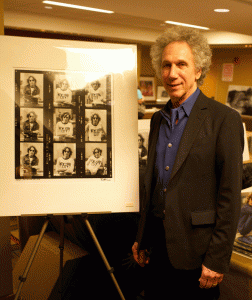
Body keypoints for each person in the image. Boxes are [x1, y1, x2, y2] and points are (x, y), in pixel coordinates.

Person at [132, 26, 244, 300]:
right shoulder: (158, 119)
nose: (172, 74)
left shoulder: (224, 120)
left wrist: (217, 259)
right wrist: (143, 236)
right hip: (156, 248)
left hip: (198, 252)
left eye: (181, 64)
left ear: (198, 70)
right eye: (166, 65)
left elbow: (229, 198)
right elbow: (155, 185)